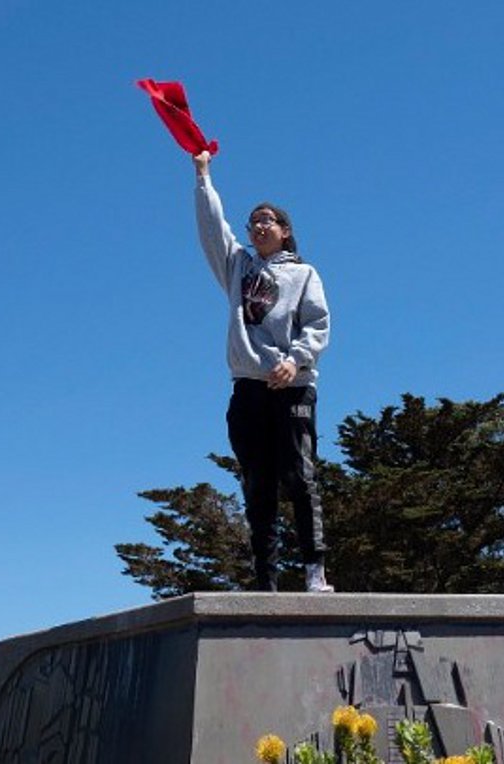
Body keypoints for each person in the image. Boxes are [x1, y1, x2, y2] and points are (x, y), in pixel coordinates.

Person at [192, 150, 333, 593]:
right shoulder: (238, 269)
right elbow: (214, 231)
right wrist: (203, 177)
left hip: (292, 388)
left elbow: (318, 324)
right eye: (252, 221)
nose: (257, 226)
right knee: (257, 485)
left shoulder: (305, 274)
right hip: (247, 390)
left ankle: (314, 571)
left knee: (298, 474)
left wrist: (296, 360)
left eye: (266, 220)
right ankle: (265, 580)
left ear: (285, 231)